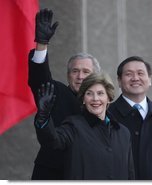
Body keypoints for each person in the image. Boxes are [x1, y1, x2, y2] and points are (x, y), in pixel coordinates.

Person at [28, 9, 101, 179]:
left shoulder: (105, 103)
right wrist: (42, 44)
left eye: (85, 71)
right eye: (75, 71)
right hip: (54, 173)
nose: (80, 76)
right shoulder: (56, 92)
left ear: (96, 76)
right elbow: (40, 79)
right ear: (68, 75)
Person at [34, 72, 135, 180]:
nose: (95, 98)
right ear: (83, 99)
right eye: (89, 93)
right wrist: (43, 117)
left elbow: (130, 174)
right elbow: (52, 141)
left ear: (109, 98)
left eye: (100, 93)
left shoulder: (123, 133)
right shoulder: (73, 126)